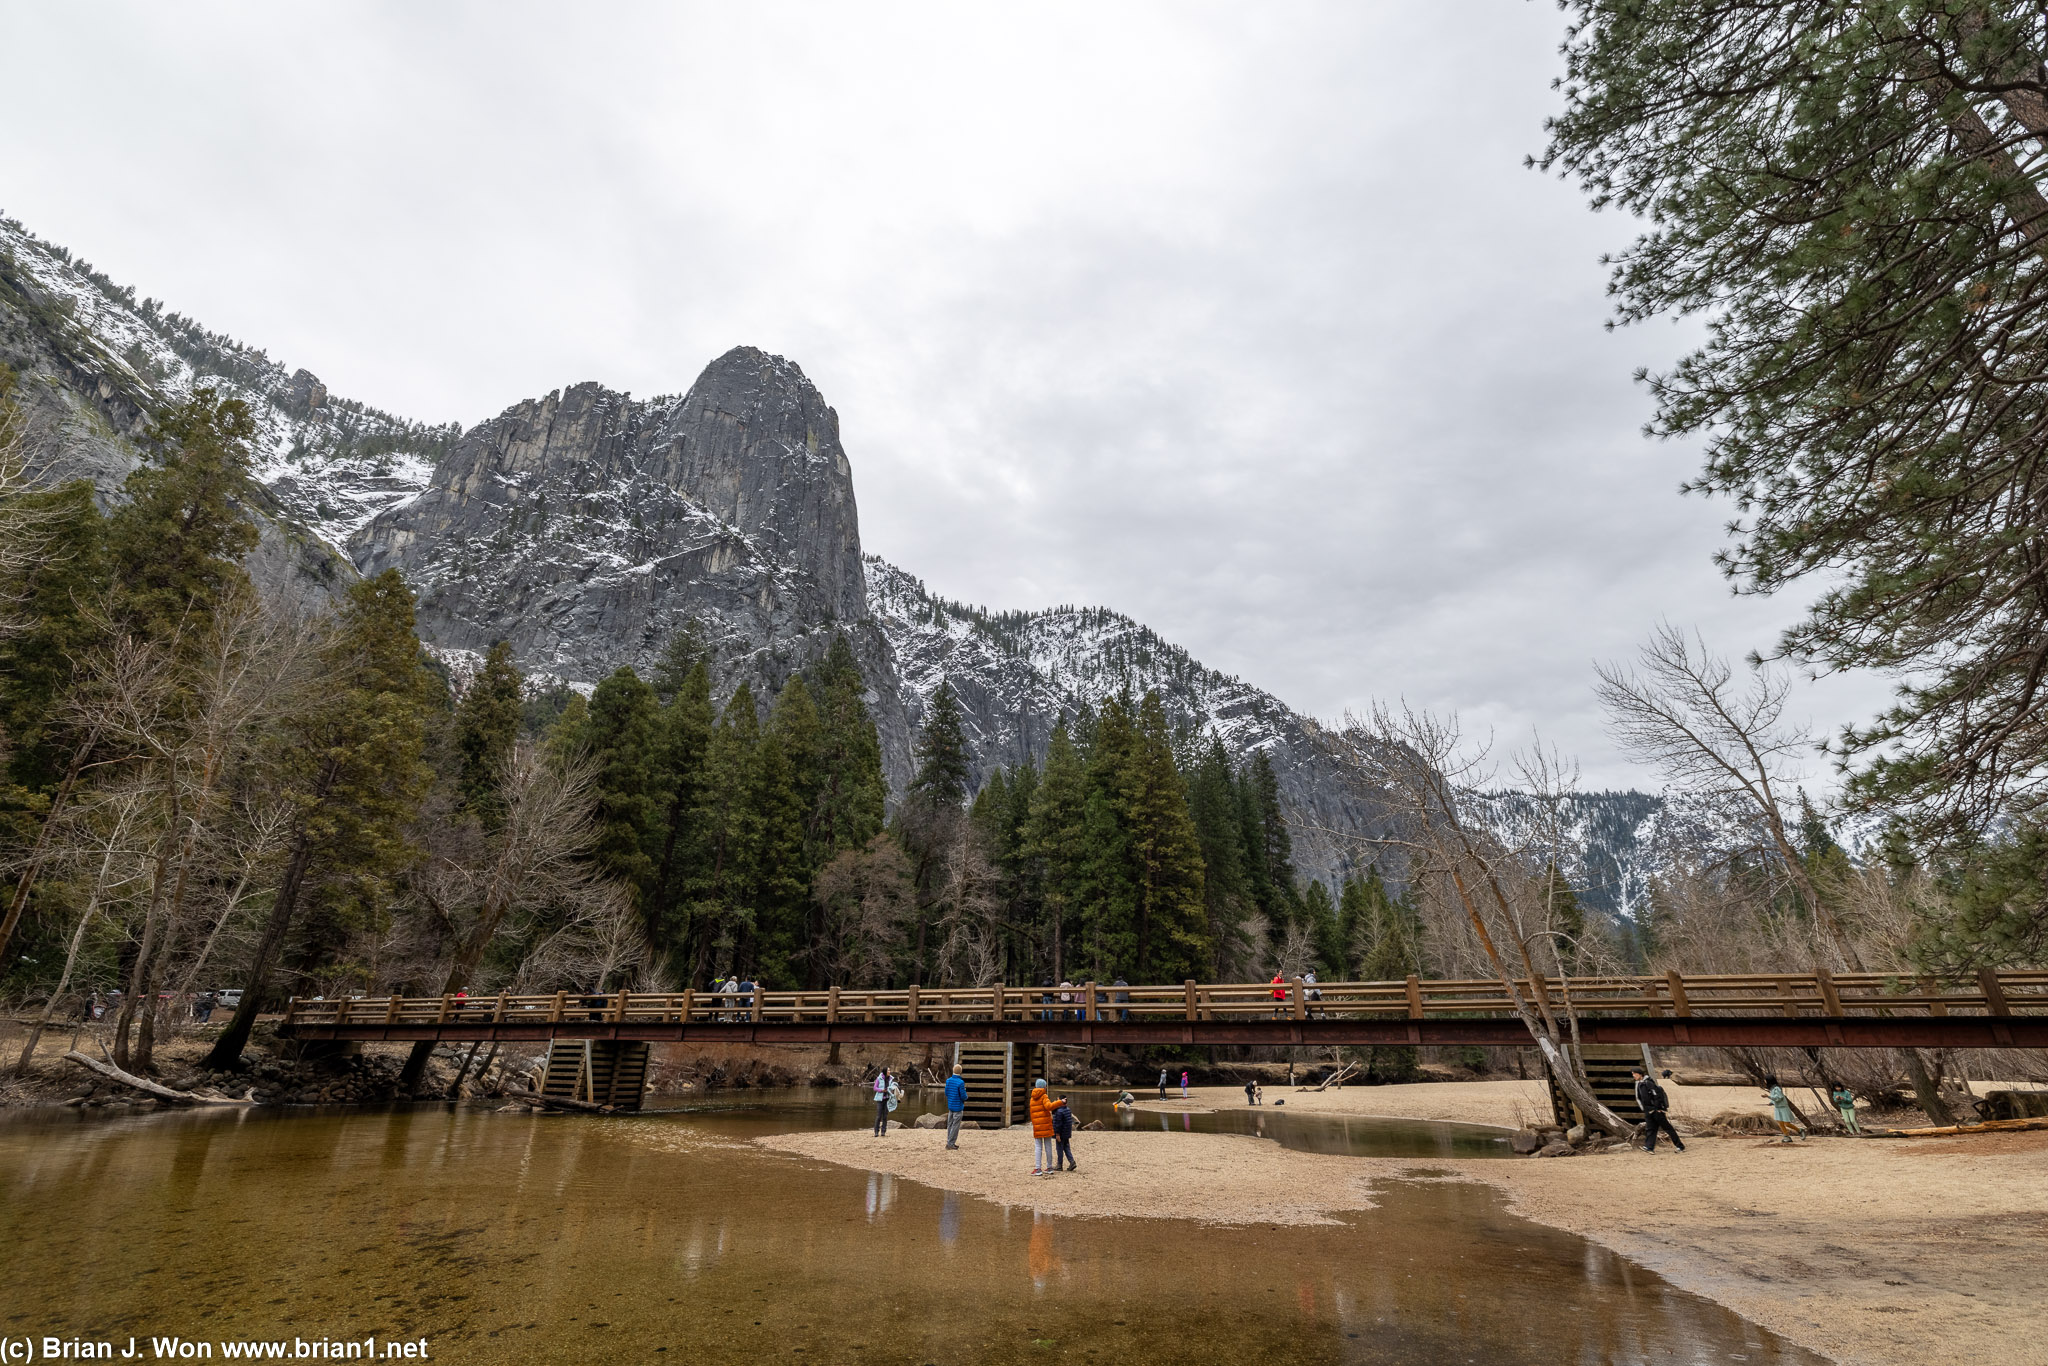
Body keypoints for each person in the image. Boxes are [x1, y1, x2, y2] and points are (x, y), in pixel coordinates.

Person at [1631, 1067, 1685, 1152]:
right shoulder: (1639, 1084)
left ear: (1640, 1074)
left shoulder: (1648, 1083)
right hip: (1648, 1110)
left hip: (1656, 1111)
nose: (1633, 1076)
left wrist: (1659, 1108)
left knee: (1667, 1128)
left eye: (1635, 1074)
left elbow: (1657, 1096)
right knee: (1651, 1129)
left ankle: (1680, 1146)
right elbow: (1641, 1098)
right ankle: (1649, 1147)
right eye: (1633, 1074)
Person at [1029, 1078, 1058, 1175]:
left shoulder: (1032, 1098)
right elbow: (1049, 1107)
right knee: (1048, 1146)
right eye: (1045, 1085)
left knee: (1038, 1146)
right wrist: (1060, 1102)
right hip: (1046, 1124)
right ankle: (1049, 1167)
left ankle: (1038, 1169)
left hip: (1037, 1126)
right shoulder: (1044, 1096)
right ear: (1043, 1086)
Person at [1764, 1077, 1804, 1142]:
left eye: (1765, 1080)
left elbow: (1780, 1097)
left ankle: (1800, 1130)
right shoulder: (1772, 1089)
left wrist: (1768, 1096)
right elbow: (1776, 1099)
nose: (1765, 1082)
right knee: (1780, 1124)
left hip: (1783, 1108)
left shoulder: (1777, 1088)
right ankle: (1787, 1137)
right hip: (1778, 1108)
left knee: (1787, 1124)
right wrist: (1771, 1102)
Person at [1051, 1090, 1078, 1171]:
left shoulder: (1059, 1112)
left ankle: (1059, 1165)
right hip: (1066, 1133)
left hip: (1061, 1133)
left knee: (1059, 1148)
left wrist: (1057, 1134)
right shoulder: (1067, 1109)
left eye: (1057, 1100)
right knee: (1066, 1147)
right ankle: (1072, 1161)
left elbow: (1058, 1124)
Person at [945, 1065, 969, 1149]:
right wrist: (966, 1096)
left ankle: (949, 1142)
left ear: (953, 1070)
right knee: (955, 1126)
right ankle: (950, 1144)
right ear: (960, 1072)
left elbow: (946, 1093)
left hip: (950, 1106)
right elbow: (963, 1096)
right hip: (958, 1107)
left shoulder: (948, 1081)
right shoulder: (961, 1082)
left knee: (950, 1125)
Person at [872, 1068, 893, 1137]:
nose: (889, 1071)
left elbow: (893, 1087)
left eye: (889, 1070)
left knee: (885, 1116)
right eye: (888, 1070)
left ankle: (883, 1131)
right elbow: (875, 1088)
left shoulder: (891, 1079)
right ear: (885, 1071)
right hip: (880, 1100)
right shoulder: (879, 1078)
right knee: (878, 1116)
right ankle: (876, 1132)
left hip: (887, 1099)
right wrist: (882, 1090)